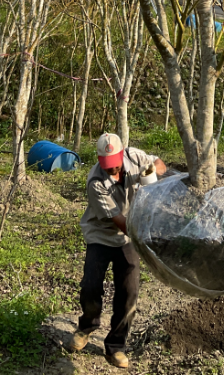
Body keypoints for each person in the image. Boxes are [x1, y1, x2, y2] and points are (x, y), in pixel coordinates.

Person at [70, 132, 167, 368]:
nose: (112, 171)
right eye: (107, 167)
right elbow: (121, 222)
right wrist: (149, 234)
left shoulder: (134, 157)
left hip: (128, 238)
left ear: (122, 154)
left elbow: (160, 164)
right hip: (102, 235)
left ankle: (116, 346)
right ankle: (87, 325)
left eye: (115, 166)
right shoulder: (95, 182)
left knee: (129, 291)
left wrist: (152, 173)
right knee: (91, 286)